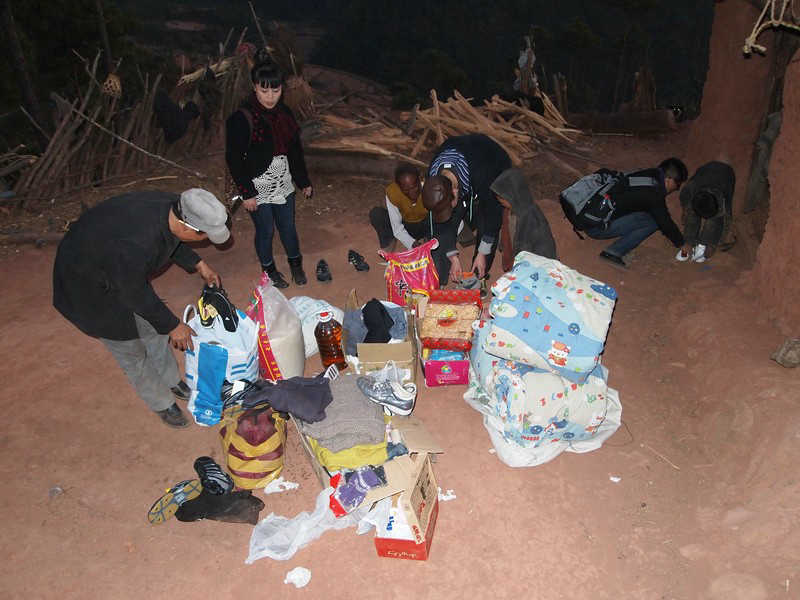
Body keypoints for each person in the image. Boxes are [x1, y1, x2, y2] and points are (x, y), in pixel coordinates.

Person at [52, 189, 230, 429]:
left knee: (154, 330)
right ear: (188, 227)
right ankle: (162, 403)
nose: (207, 240)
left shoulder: (174, 207)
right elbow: (133, 291)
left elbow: (172, 239)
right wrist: (173, 325)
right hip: (87, 288)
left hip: (116, 270)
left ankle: (171, 380)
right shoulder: (134, 244)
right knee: (131, 350)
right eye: (206, 235)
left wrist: (200, 265)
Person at [225, 59, 312, 289]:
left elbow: (295, 151)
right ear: (254, 87)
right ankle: (269, 270)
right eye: (264, 91)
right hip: (256, 184)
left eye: (276, 90)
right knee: (265, 230)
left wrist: (303, 181)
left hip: (283, 180)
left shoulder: (285, 114)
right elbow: (234, 158)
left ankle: (295, 264)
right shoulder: (241, 118)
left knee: (288, 227)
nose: (270, 96)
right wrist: (247, 192)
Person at [423, 133, 511, 284]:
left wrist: (482, 253)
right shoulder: (433, 177)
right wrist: (453, 257)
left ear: (455, 191)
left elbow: (493, 214)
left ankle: (478, 274)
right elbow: (442, 221)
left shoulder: (483, 174)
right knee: (450, 216)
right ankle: (466, 227)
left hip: (493, 161)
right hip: (463, 161)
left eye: (451, 203)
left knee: (485, 218)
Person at [584, 157, 688, 268]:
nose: (677, 188)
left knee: (650, 213)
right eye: (677, 184)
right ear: (669, 180)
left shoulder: (649, 173)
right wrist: (682, 244)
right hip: (595, 228)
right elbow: (665, 222)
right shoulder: (654, 193)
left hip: (588, 214)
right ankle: (613, 252)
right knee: (654, 222)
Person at [490, 167, 557, 270]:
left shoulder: (533, 219)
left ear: (514, 196)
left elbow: (545, 247)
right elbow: (505, 231)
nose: (500, 201)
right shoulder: (507, 210)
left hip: (531, 265)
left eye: (503, 199)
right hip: (514, 259)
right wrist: (503, 244)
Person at [675, 161, 735, 263]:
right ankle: (689, 243)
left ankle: (704, 245)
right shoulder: (690, 189)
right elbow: (685, 204)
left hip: (726, 175)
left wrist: (715, 242)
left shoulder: (724, 196)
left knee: (715, 220)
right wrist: (685, 213)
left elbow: (727, 217)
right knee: (691, 214)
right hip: (706, 170)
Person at [368, 162, 428, 252]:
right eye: (406, 190)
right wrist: (412, 243)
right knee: (377, 214)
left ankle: (430, 240)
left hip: (426, 225)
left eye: (414, 187)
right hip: (407, 226)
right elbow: (397, 227)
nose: (411, 193)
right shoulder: (393, 193)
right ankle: (389, 245)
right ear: (398, 186)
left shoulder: (429, 188)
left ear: (419, 180)